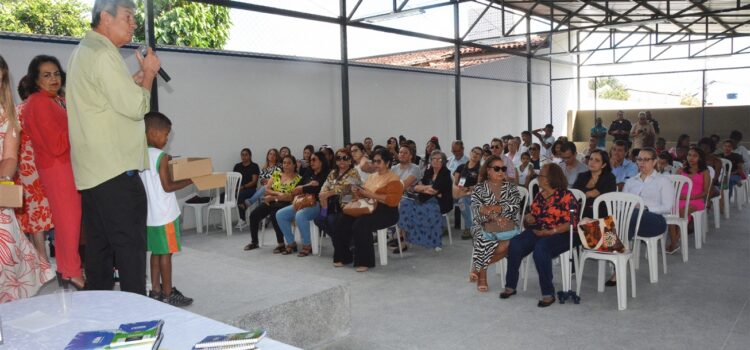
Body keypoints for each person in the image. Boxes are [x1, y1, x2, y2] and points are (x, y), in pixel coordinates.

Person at [67, 0, 161, 294]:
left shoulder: (84, 51)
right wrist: (147, 76)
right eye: (129, 17)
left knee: (100, 255)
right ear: (106, 18)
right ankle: (137, 327)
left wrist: (134, 80)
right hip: (117, 172)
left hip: (95, 174)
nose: (134, 24)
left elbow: (107, 102)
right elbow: (135, 108)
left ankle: (102, 321)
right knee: (131, 253)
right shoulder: (105, 55)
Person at [21, 55, 85, 290]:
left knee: (70, 221)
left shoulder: (54, 100)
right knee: (68, 221)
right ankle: (70, 271)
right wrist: (77, 123)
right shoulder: (39, 102)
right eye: (46, 75)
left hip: (64, 166)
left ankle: (68, 269)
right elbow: (56, 144)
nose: (54, 79)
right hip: (57, 167)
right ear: (35, 79)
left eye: (56, 73)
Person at [1, 54, 56, 302]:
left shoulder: (8, 115)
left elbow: (9, 156)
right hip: (31, 170)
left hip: (23, 175)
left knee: (9, 256)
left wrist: (4, 178)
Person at [501, 163, 578, 307]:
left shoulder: (566, 196)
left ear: (550, 178)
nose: (538, 178)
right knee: (516, 243)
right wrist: (528, 219)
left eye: (541, 175)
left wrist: (551, 232)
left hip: (563, 233)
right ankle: (510, 285)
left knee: (541, 249)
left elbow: (571, 223)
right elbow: (531, 219)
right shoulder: (539, 195)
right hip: (540, 231)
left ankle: (548, 293)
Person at [139, 112, 193, 306]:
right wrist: (190, 180)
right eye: (165, 134)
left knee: (155, 253)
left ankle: (155, 290)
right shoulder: (162, 157)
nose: (167, 139)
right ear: (153, 133)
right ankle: (168, 293)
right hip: (165, 215)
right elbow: (167, 186)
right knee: (167, 254)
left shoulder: (140, 155)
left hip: (150, 216)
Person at [332, 149, 403, 272]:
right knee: (342, 219)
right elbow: (363, 196)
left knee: (361, 224)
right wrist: (357, 192)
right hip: (369, 207)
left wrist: (370, 194)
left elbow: (392, 201)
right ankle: (343, 257)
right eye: (374, 161)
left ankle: (364, 261)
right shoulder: (372, 177)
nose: (375, 164)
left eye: (378, 161)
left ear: (387, 163)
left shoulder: (394, 179)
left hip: (387, 211)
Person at [13, 76, 54, 262]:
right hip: (38, 169)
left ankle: (35, 262)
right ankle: (43, 261)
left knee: (28, 219)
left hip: (19, 170)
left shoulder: (14, 111)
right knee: (37, 219)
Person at [469, 155, 522, 292]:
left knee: (510, 243)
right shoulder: (479, 188)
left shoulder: (511, 187)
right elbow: (477, 209)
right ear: (488, 170)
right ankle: (482, 278)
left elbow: (515, 206)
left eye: (503, 168)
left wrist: (499, 211)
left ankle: (478, 267)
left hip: (508, 224)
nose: (501, 172)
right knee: (483, 238)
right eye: (497, 168)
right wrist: (495, 216)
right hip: (484, 225)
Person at [276, 151, 329, 257]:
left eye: (314, 160)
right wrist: (308, 186)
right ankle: (291, 243)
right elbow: (297, 187)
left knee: (300, 215)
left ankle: (307, 245)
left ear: (321, 162)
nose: (311, 162)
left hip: (317, 204)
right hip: (302, 201)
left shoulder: (326, 174)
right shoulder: (309, 172)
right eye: (310, 160)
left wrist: (304, 188)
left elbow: (318, 189)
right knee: (280, 214)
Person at [399, 150, 453, 251]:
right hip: (425, 198)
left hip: (441, 202)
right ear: (430, 160)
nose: (436, 161)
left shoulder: (445, 173)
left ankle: (434, 241)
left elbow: (433, 191)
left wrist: (423, 188)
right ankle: (405, 238)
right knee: (405, 204)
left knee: (429, 209)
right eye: (433, 159)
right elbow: (418, 187)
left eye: (439, 159)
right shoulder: (429, 171)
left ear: (443, 161)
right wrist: (425, 188)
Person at [244, 155, 301, 252]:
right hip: (271, 201)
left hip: (286, 204)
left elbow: (289, 197)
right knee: (253, 215)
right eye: (284, 163)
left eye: (289, 163)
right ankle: (254, 242)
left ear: (294, 165)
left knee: (275, 214)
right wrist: (278, 193)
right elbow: (266, 190)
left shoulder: (298, 179)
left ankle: (281, 244)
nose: (286, 165)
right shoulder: (277, 174)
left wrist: (273, 197)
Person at [622, 148, 673, 251]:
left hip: (655, 221)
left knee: (631, 215)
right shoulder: (630, 181)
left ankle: (614, 248)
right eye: (639, 159)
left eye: (646, 159)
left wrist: (645, 208)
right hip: (633, 222)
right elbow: (622, 203)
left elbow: (667, 207)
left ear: (654, 162)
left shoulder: (663, 181)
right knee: (625, 219)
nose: (642, 162)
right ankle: (619, 252)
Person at [317, 148, 362, 238]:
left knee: (332, 220)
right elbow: (325, 186)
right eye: (338, 158)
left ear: (350, 161)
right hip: (330, 206)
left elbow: (347, 187)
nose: (341, 160)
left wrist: (328, 193)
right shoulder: (333, 173)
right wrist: (323, 194)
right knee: (318, 220)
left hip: (346, 206)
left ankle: (341, 244)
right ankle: (339, 242)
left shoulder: (353, 172)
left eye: (345, 158)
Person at [673, 147, 710, 251]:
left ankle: (674, 241)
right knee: (669, 211)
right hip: (680, 199)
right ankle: (676, 237)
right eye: (689, 155)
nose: (691, 158)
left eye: (695, 156)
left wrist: (690, 197)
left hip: (696, 200)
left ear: (700, 158)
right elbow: (674, 187)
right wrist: (678, 196)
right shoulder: (680, 170)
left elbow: (705, 192)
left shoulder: (704, 172)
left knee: (684, 211)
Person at [572, 150, 617, 219]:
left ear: (603, 165)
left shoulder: (610, 178)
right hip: (582, 214)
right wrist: (588, 194)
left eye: (597, 160)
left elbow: (604, 200)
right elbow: (574, 195)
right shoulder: (582, 176)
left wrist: (583, 195)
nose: (592, 162)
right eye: (591, 159)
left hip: (604, 218)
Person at [454, 147, 483, 240]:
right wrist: (460, 187)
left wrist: (470, 188)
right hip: (460, 192)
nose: (475, 154)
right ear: (470, 153)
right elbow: (455, 183)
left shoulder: (480, 169)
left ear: (480, 157)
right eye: (474, 152)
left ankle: (468, 227)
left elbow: (479, 186)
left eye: (478, 154)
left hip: (473, 194)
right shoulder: (461, 167)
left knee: (462, 202)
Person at [234, 148, 260, 229]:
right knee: (223, 195)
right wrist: (235, 188)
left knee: (239, 195)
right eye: (242, 155)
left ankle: (242, 220)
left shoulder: (254, 166)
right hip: (238, 189)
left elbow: (254, 181)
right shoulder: (237, 166)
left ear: (250, 156)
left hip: (250, 190)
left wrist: (243, 187)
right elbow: (234, 179)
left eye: (246, 155)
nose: (244, 157)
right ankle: (225, 221)